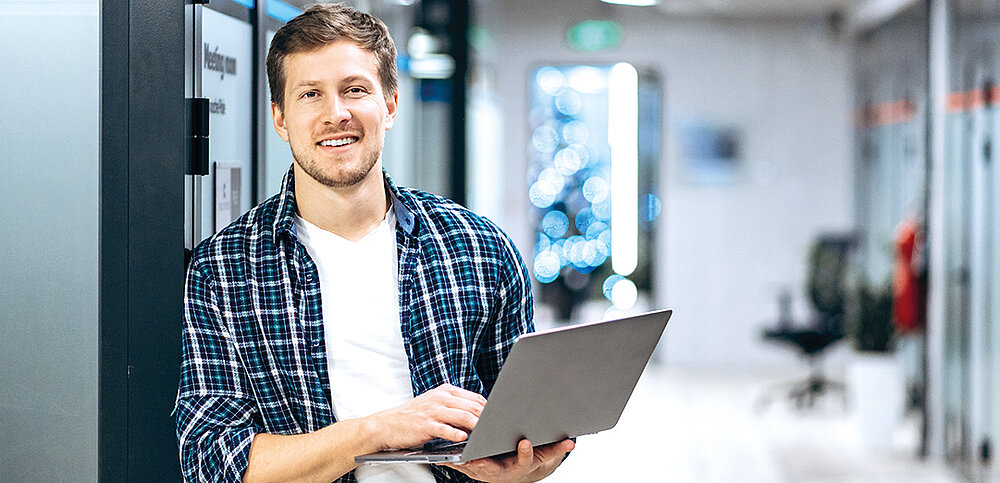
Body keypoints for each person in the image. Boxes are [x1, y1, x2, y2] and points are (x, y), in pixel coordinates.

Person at [175, 3, 574, 482]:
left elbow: (523, 431)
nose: (335, 113)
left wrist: (524, 469)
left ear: (389, 104)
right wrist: (379, 431)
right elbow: (211, 462)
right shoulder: (224, 268)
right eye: (310, 95)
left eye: (355, 90)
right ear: (280, 118)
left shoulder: (479, 247)